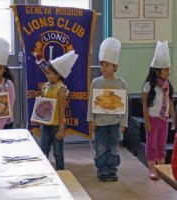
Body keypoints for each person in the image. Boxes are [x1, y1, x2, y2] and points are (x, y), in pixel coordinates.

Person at [87, 37, 128, 182]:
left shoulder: (121, 83)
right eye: (101, 64)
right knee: (100, 147)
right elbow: (92, 102)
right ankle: (102, 170)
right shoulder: (96, 82)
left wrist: (123, 122)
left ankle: (112, 169)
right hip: (100, 122)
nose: (103, 67)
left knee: (113, 147)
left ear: (115, 66)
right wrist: (91, 120)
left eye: (107, 64)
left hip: (115, 122)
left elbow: (124, 106)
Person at [40, 50, 78, 170]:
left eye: (49, 73)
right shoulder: (45, 86)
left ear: (58, 75)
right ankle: (44, 172)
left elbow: (62, 110)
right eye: (47, 73)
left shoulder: (61, 89)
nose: (47, 75)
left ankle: (61, 173)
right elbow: (41, 104)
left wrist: (61, 128)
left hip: (56, 125)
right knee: (43, 151)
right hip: (45, 124)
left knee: (58, 152)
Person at [143, 41, 176, 180]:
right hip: (152, 119)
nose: (168, 72)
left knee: (162, 144)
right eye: (166, 69)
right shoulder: (148, 86)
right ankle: (152, 169)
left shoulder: (167, 85)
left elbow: (169, 102)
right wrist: (147, 122)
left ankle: (161, 167)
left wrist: (173, 118)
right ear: (157, 71)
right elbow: (145, 105)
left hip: (163, 120)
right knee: (152, 145)